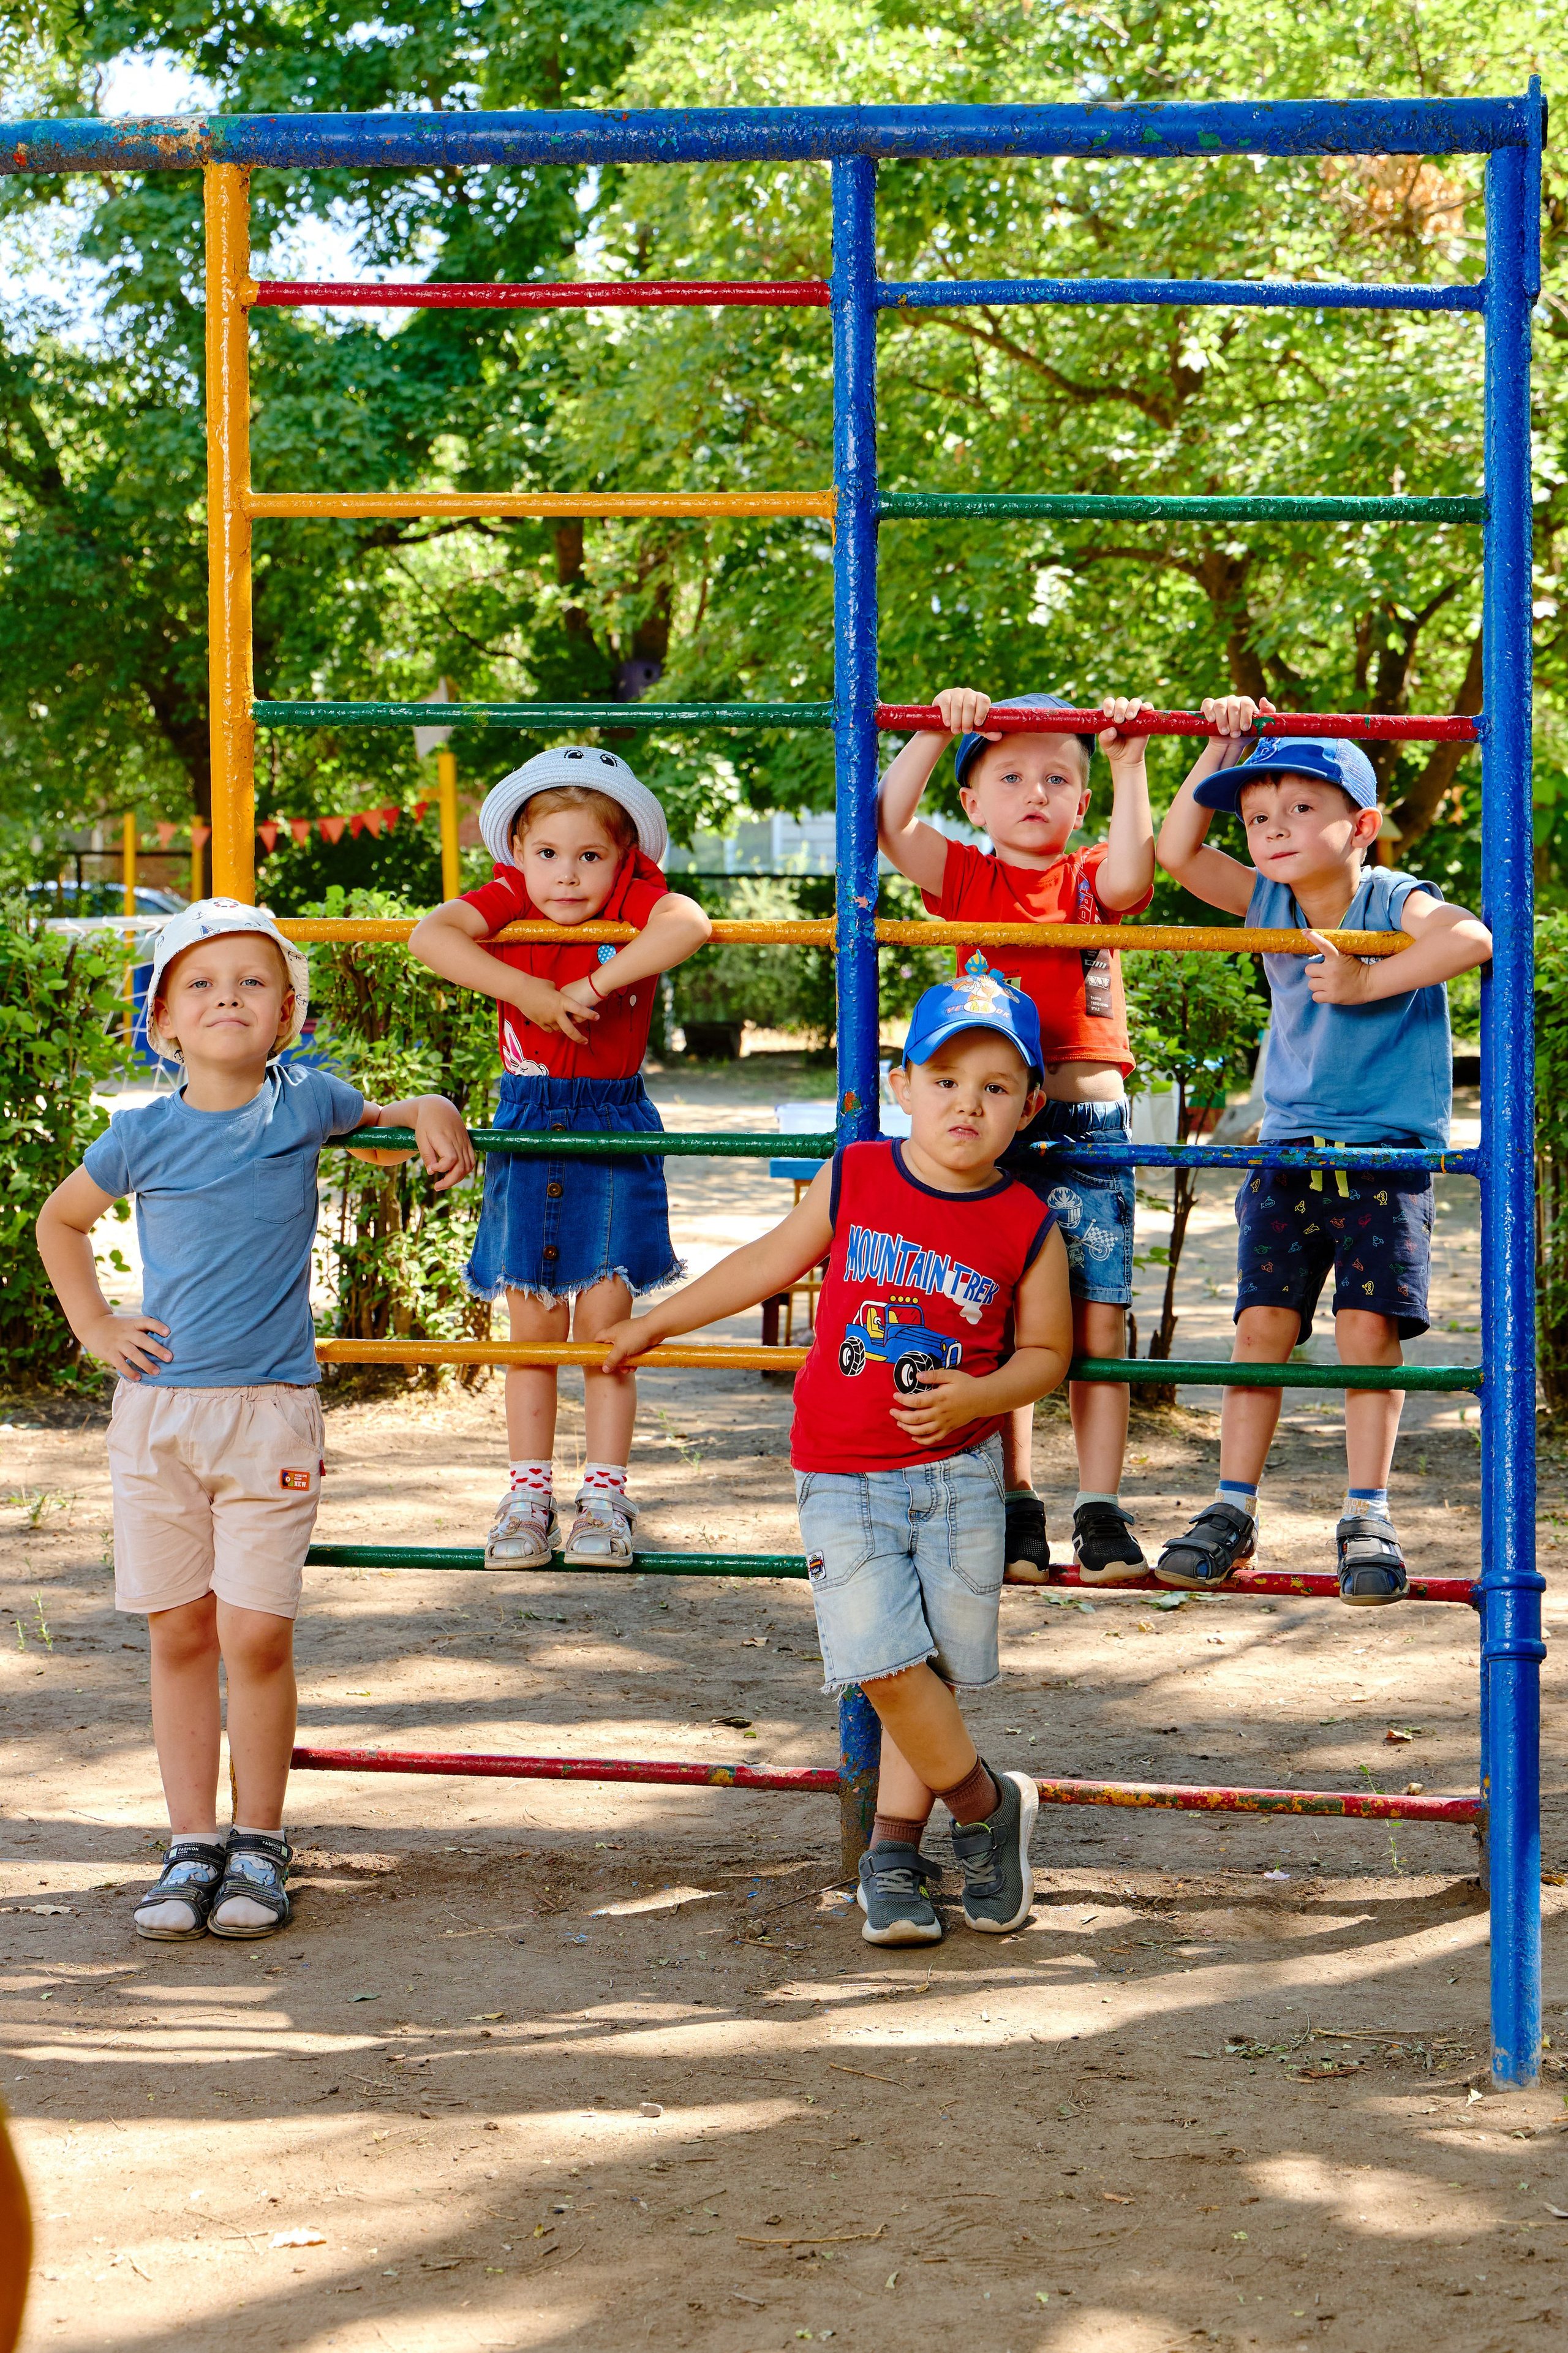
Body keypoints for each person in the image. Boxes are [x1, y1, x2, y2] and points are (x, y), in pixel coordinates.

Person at [34, 899, 474, 1941]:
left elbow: (384, 1127)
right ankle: (192, 1841)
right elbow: (61, 1220)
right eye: (199, 983)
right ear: (162, 1023)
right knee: (180, 1629)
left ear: (287, 1015)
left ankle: (261, 1841)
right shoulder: (140, 1134)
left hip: (270, 1416)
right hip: (158, 1416)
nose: (225, 996)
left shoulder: (305, 1103)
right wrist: (96, 1324)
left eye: (251, 981)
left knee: (255, 1631)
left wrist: (435, 1106)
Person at [602, 974, 1073, 1946]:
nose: (968, 1104)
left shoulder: (1027, 1222)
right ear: (903, 1087)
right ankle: (987, 1808)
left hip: (960, 1477)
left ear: (1030, 1106)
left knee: (930, 1670)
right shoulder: (858, 1174)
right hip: (843, 1472)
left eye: (995, 1087)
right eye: (945, 1080)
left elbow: (1046, 1354)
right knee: (885, 1664)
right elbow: (769, 1260)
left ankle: (893, 1854)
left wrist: (980, 1395)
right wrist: (657, 1322)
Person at [1154, 695, 1493, 1602]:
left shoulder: (1391, 896)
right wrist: (1221, 748)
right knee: (1260, 1326)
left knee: (1367, 1332)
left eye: (1302, 808)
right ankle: (1232, 1504)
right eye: (1257, 816)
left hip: (1385, 1157)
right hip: (1291, 1149)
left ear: (1363, 826)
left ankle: (1368, 1510)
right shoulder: (1267, 898)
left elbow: (1470, 937)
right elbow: (1176, 853)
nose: (1274, 828)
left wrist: (1369, 978)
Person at [877, 686, 1156, 1586]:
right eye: (1010, 776)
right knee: (995, 1322)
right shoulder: (966, 876)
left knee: (1098, 1319)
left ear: (1082, 801)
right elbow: (888, 824)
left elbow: (1134, 876)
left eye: (1057, 778)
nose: (1035, 792)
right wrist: (933, 727)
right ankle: (1015, 1499)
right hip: (991, 1131)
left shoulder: (1091, 877)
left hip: (1086, 1125)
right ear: (972, 802)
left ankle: (1101, 1507)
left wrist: (1127, 763)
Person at [409, 747, 711, 1573]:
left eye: (589, 855)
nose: (567, 875)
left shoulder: (631, 899)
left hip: (611, 1120)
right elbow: (431, 935)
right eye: (547, 852)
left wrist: (596, 982)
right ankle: (527, 1495)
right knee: (533, 1328)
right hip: (529, 1117)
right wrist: (529, 992)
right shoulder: (512, 895)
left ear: (623, 859)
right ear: (518, 852)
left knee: (608, 1329)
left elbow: (689, 923)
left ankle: (605, 1496)